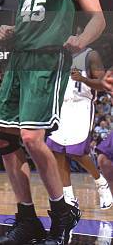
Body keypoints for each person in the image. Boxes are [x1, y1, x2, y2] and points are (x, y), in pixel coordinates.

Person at [0, 0, 105, 245]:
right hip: (18, 60)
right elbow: (27, 19)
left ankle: (62, 211)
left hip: (47, 60)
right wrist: (10, 31)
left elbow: (98, 17)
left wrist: (82, 40)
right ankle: (26, 218)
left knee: (31, 138)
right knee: (4, 139)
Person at [46, 47, 113, 209]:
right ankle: (68, 197)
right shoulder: (59, 55)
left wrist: (83, 80)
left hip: (81, 106)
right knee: (57, 151)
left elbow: (103, 85)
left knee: (75, 151)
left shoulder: (91, 55)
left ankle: (100, 182)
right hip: (61, 106)